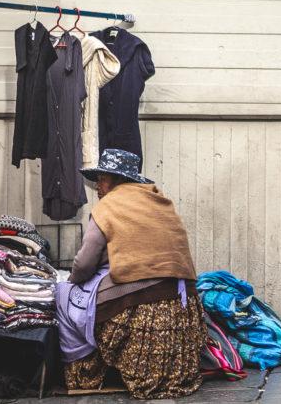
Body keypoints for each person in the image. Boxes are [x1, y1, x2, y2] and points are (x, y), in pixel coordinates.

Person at [58, 149, 205, 400]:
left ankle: (84, 372)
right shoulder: (160, 202)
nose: (98, 188)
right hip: (185, 307)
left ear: (117, 180)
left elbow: (84, 264)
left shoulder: (109, 206)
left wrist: (70, 281)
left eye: (102, 180)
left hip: (138, 306)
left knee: (63, 295)